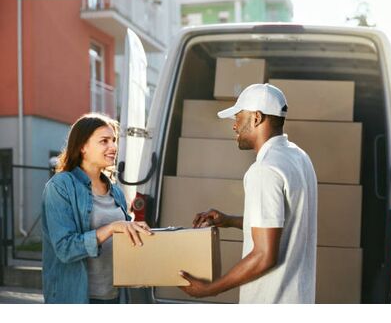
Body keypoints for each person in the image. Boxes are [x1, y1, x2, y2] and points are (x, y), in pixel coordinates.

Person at [179, 83, 318, 304]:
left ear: (256, 118)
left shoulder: (264, 170)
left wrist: (209, 289)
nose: (234, 126)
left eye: (238, 117)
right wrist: (230, 220)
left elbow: (264, 256)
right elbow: (283, 224)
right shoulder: (299, 157)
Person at [42, 113, 152, 304]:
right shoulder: (60, 187)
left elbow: (121, 238)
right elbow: (65, 248)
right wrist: (111, 228)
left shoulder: (115, 191)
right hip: (77, 298)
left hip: (115, 296)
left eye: (114, 140)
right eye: (104, 141)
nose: (113, 147)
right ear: (83, 147)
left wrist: (135, 232)